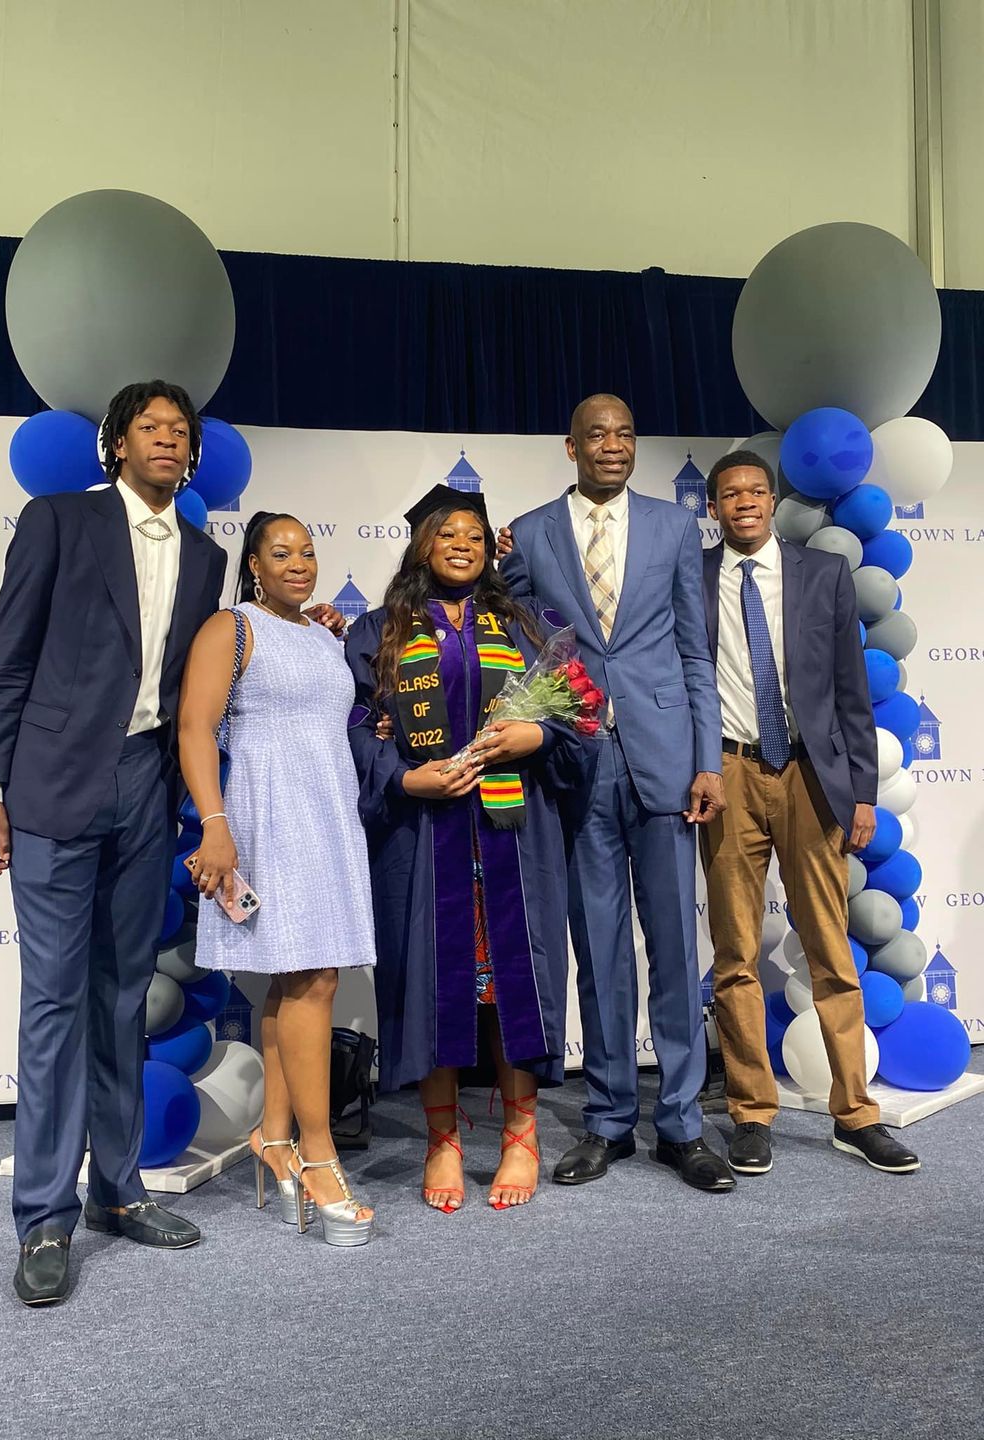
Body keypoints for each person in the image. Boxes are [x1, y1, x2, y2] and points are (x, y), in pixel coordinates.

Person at [0, 380, 228, 1305]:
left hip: (142, 790)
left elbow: (200, 681)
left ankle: (118, 1192)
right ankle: (43, 1216)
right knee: (54, 1004)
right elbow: (11, 657)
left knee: (122, 1000)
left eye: (180, 431)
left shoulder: (205, 555)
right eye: (150, 428)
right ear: (116, 445)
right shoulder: (59, 521)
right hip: (49, 788)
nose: (168, 440)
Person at [498, 393, 735, 1193]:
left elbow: (695, 655)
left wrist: (709, 760)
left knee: (673, 944)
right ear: (571, 447)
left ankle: (681, 1123)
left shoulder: (675, 528)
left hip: (667, 763)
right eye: (597, 434)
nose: (614, 445)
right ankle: (606, 1121)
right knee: (597, 952)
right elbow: (519, 648)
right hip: (576, 767)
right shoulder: (527, 535)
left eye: (627, 434)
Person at [346, 484, 591, 1212]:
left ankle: (522, 1135)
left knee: (514, 979)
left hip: (514, 832)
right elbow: (355, 726)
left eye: (476, 536)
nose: (463, 544)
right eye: (448, 533)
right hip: (425, 834)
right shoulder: (380, 631)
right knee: (434, 979)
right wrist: (402, 776)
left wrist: (537, 734)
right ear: (423, 542)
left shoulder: (525, 622)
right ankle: (443, 1140)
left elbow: (578, 711)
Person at [701, 451, 919, 1174]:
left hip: (809, 774)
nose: (745, 503)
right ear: (714, 507)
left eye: (757, 491)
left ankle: (856, 1114)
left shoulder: (823, 574)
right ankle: (751, 1112)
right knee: (735, 954)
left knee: (830, 947)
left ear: (772, 500)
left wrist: (861, 792)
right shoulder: (693, 578)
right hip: (727, 770)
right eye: (730, 494)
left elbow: (852, 691)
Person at [178, 510, 377, 1246]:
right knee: (313, 980)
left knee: (296, 981)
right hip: (268, 816)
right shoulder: (228, 628)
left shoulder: (324, 632)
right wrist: (215, 824)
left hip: (328, 815)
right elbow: (195, 726)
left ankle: (272, 1135)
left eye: (309, 551)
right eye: (281, 552)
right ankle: (319, 1158)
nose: (299, 562)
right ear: (253, 565)